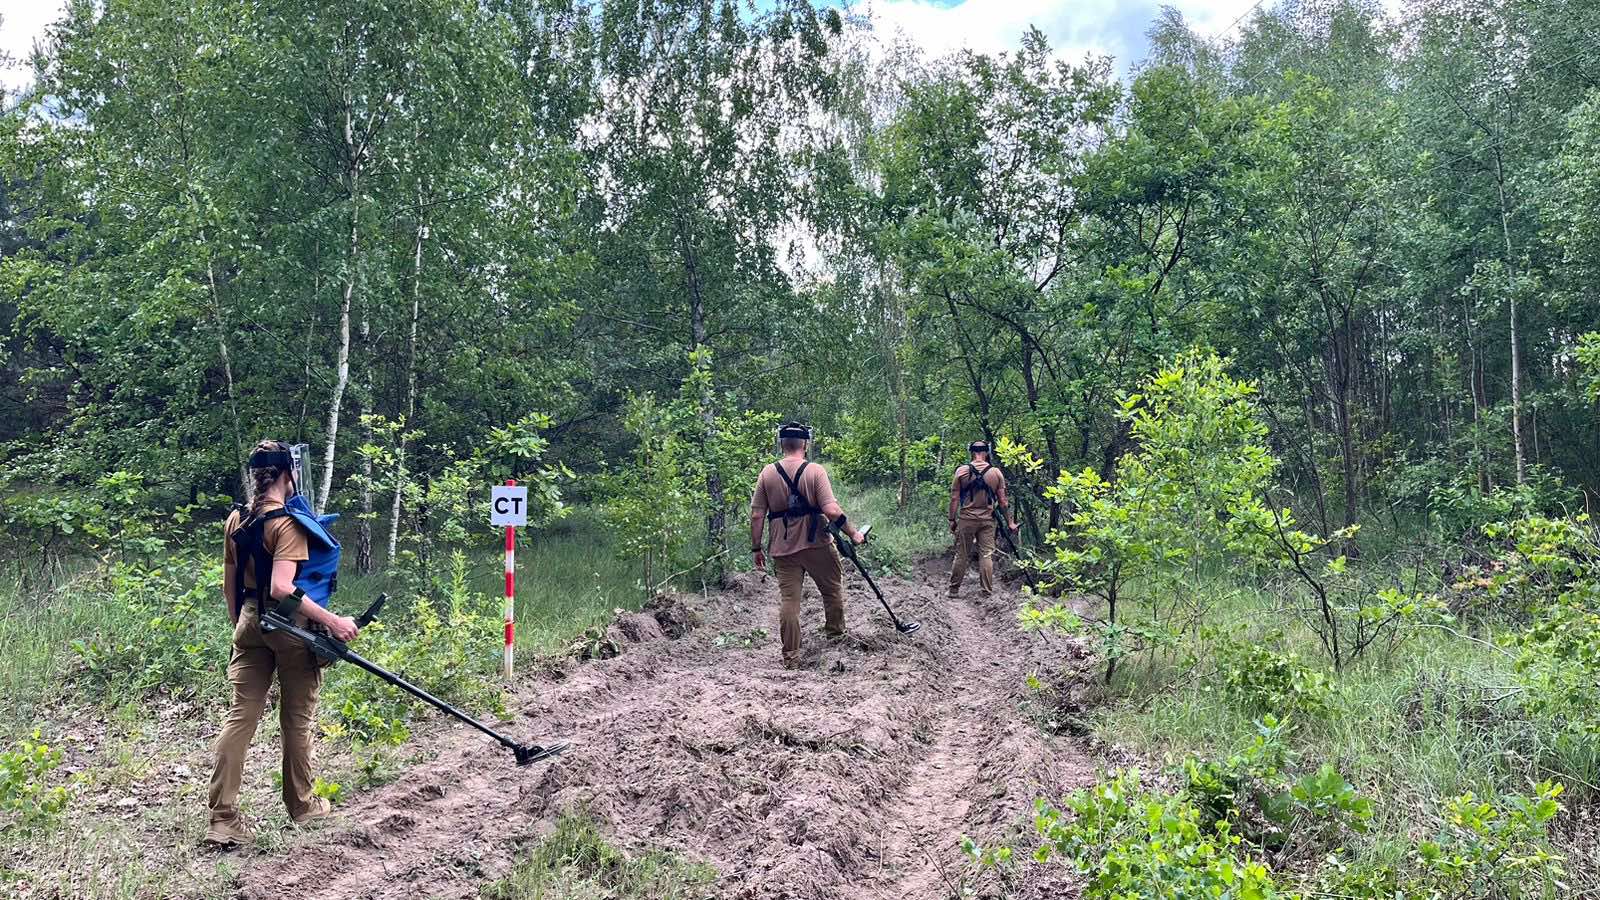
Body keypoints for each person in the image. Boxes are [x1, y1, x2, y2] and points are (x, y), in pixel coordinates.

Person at [205, 440, 360, 847]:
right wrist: (333, 621)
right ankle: (303, 807)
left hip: (249, 621)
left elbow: (230, 582)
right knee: (296, 719)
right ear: (288, 475)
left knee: (241, 717)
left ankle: (222, 818)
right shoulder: (287, 524)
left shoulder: (236, 519)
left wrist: (242, 624)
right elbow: (282, 587)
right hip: (290, 628)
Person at [749, 422, 866, 668]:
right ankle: (836, 638)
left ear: (782, 443)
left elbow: (757, 515)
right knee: (832, 590)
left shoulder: (767, 473)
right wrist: (854, 533)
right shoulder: (815, 471)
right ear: (805, 444)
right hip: (817, 545)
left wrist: (756, 548)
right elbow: (831, 510)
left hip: (783, 547)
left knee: (789, 601)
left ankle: (791, 657)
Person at [948, 439, 1019, 598]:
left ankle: (953, 590)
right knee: (986, 555)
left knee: (962, 554)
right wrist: (1010, 523)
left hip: (966, 519)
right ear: (987, 452)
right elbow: (1003, 502)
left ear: (972, 452)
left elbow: (954, 498)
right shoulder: (996, 473)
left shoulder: (961, 471)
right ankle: (986, 592)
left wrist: (952, 520)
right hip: (987, 520)